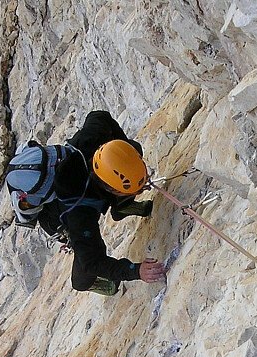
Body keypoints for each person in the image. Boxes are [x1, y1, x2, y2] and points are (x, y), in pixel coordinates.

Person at [11, 111, 167, 296]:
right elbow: (92, 262)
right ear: (111, 189)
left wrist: (122, 147)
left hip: (86, 180)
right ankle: (93, 284)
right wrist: (135, 270)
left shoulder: (92, 140)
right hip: (58, 215)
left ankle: (122, 207)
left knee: (133, 148)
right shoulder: (79, 214)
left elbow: (100, 116)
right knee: (85, 266)